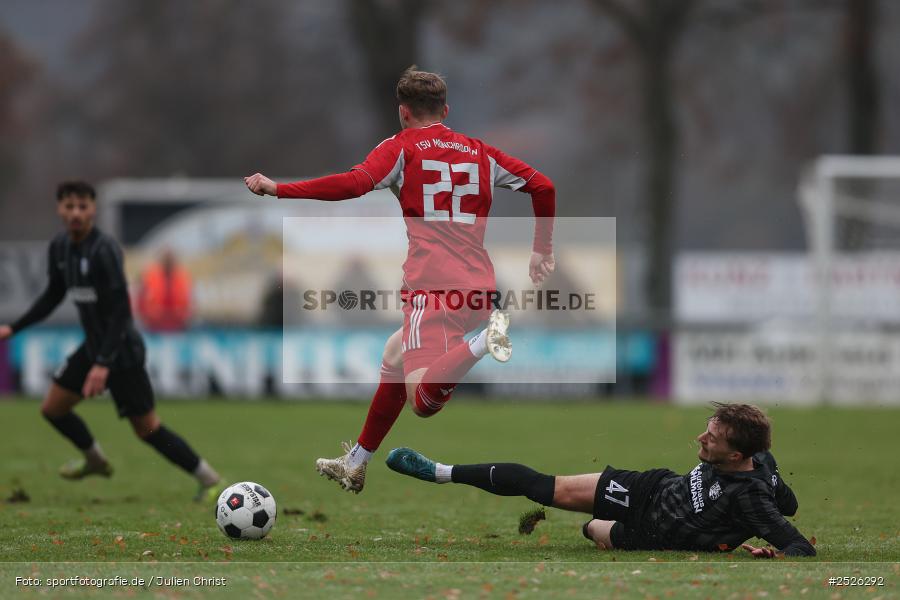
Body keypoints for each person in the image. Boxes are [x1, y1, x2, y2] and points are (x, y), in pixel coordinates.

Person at [245, 66, 556, 493]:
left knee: (421, 402)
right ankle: (356, 461)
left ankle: (486, 341)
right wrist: (542, 249)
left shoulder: (401, 148)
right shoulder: (481, 152)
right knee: (394, 355)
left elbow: (354, 184)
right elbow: (544, 186)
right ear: (445, 110)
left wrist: (280, 190)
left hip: (432, 288)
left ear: (403, 112)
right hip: (478, 286)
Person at [0, 181, 220, 502]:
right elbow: (52, 296)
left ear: (93, 209)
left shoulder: (104, 250)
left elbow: (120, 311)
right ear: (60, 209)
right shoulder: (60, 247)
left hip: (122, 351)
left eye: (82, 206)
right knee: (53, 409)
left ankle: (208, 477)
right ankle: (95, 460)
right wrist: (14, 327)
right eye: (69, 206)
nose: (76, 213)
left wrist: (103, 364)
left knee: (147, 429)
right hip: (93, 346)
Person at [385, 403, 816, 557]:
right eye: (707, 427)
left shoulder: (751, 494)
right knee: (544, 486)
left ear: (736, 454)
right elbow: (788, 500)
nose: (701, 438)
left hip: (655, 535)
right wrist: (771, 482)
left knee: (590, 528)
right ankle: (438, 472)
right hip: (649, 488)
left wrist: (773, 552)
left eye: (713, 437)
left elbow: (796, 542)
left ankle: (600, 529)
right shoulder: (759, 464)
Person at [136, 248, 193, 332]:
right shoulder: (148, 277)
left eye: (170, 259)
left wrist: (180, 314)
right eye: (166, 259)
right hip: (152, 327)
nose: (168, 262)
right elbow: (140, 301)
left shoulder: (183, 278)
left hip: (178, 327)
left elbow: (190, 305)